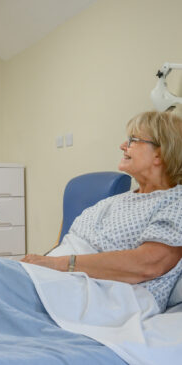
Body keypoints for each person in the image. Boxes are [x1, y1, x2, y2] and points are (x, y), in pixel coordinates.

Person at [22, 110, 182, 312]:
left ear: (160, 153)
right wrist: (38, 263)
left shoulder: (175, 201)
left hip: (107, 294)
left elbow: (148, 265)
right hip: (64, 278)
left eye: (132, 140)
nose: (123, 146)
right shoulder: (118, 200)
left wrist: (57, 264)